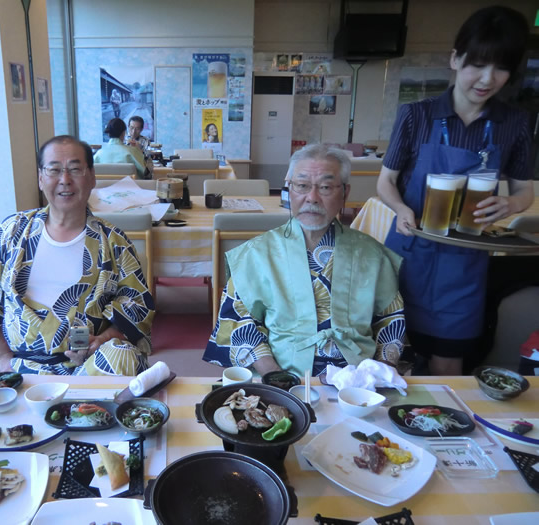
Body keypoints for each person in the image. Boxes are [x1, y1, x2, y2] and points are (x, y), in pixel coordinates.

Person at [376, 6, 533, 376]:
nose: (487, 78)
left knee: (449, 358)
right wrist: (400, 208)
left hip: (465, 260)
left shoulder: (514, 124)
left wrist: (510, 203)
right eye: (477, 64)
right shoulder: (416, 115)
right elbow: (386, 181)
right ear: (455, 59)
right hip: (410, 250)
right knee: (393, 352)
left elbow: (524, 190)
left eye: (501, 68)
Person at [203, 145, 406, 379]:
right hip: (282, 375)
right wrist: (274, 375)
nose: (312, 198)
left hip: (359, 379)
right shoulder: (256, 254)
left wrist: (381, 375)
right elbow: (240, 322)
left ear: (345, 193)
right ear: (289, 189)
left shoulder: (372, 254)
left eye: (325, 187)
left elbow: (391, 321)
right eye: (302, 186)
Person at [0, 136, 155, 375]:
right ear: (41, 178)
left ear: (92, 177)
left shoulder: (114, 241)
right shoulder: (12, 231)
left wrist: (102, 340)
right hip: (24, 367)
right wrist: (3, 357)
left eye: (75, 169)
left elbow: (137, 305)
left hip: (90, 365)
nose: (65, 180)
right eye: (54, 170)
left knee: (122, 355)